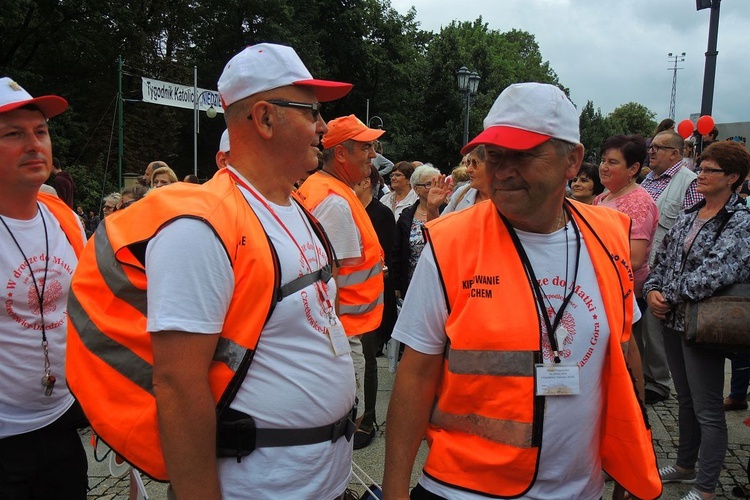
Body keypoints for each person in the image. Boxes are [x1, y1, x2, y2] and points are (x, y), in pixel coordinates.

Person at [67, 43, 356, 499]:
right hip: (260, 489)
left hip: (321, 482)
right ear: (263, 118)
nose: (322, 126)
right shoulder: (201, 228)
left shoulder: (295, 208)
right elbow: (179, 385)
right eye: (310, 111)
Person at [382, 82, 661, 500]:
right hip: (464, 488)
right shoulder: (450, 243)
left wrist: (629, 470)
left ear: (573, 160)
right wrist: (394, 491)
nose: (504, 169)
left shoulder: (608, 235)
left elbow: (625, 350)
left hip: (581, 489)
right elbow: (416, 373)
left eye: (525, 154)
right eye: (494, 155)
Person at [643, 140, 750, 500]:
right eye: (701, 168)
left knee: (707, 408)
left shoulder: (741, 221)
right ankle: (686, 466)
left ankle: (705, 488)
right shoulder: (691, 215)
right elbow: (662, 260)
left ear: (733, 177)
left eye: (709, 170)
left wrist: (668, 296)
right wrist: (652, 291)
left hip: (703, 322)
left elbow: (718, 271)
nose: (700, 174)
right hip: (674, 319)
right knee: (685, 399)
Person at [0, 77, 88, 497]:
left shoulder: (65, 219)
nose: (34, 144)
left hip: (62, 422)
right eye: (13, 134)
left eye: (41, 131)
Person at [297, 114, 386, 441]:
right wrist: (332, 345)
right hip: (341, 335)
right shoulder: (335, 201)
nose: (373, 155)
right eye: (366, 147)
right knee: (343, 423)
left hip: (340, 330)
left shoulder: (322, 188)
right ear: (341, 154)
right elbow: (325, 282)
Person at [639, 130, 702, 405]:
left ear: (675, 154)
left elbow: (692, 228)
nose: (651, 151)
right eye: (650, 147)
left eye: (658, 148)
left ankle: (658, 383)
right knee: (638, 325)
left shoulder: (689, 182)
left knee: (655, 328)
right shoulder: (647, 179)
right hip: (641, 263)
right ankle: (641, 375)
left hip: (663, 267)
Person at [594, 134, 659, 400]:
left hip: (624, 289)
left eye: (612, 162)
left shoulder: (638, 201)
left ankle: (632, 401)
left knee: (627, 349)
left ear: (633, 169)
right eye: (602, 160)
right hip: (602, 283)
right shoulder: (603, 197)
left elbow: (634, 257)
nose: (604, 167)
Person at [353, 164, 397, 449]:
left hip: (371, 298)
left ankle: (367, 420)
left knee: (368, 359)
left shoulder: (381, 214)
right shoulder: (346, 208)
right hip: (348, 297)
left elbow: (390, 255)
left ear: (366, 181)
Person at [392, 164, 448, 300]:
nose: (433, 188)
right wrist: (397, 285)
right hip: (413, 282)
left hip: (442, 281)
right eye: (428, 184)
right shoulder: (406, 215)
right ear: (416, 189)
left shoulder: (448, 211)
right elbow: (397, 251)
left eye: (436, 183)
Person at [442, 145, 490, 214]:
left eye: (475, 163)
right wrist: (432, 209)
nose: (468, 170)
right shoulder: (461, 193)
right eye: (468, 163)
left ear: (491, 166)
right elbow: (441, 223)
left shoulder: (507, 201)